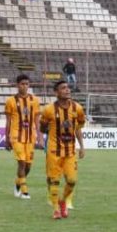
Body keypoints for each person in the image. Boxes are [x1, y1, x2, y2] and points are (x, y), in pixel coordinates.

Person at [40, 81, 86, 219]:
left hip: (70, 151)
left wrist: (82, 146)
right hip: (54, 151)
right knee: (54, 180)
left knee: (72, 180)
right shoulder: (48, 110)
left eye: (67, 88)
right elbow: (43, 128)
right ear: (56, 92)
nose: (67, 90)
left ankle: (62, 202)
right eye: (63, 88)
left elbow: (77, 128)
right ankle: (56, 210)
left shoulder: (77, 108)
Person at [5, 74, 42, 200]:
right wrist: (6, 138)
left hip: (30, 137)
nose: (24, 86)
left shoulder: (35, 100)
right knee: (21, 163)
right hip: (16, 136)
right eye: (22, 84)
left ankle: (17, 183)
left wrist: (40, 137)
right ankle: (25, 191)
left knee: (28, 166)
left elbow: (37, 121)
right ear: (17, 85)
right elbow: (8, 121)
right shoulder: (10, 101)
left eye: (27, 84)